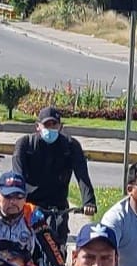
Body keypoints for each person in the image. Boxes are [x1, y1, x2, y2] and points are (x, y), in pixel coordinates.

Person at [10, 106, 97, 248]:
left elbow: (82, 175)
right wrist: (17, 199)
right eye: (46, 125)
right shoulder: (26, 144)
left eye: (54, 124)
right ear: (37, 126)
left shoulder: (71, 146)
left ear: (60, 127)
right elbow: (17, 175)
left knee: (59, 241)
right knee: (23, 244)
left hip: (58, 204)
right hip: (30, 203)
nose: (50, 128)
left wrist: (89, 201)